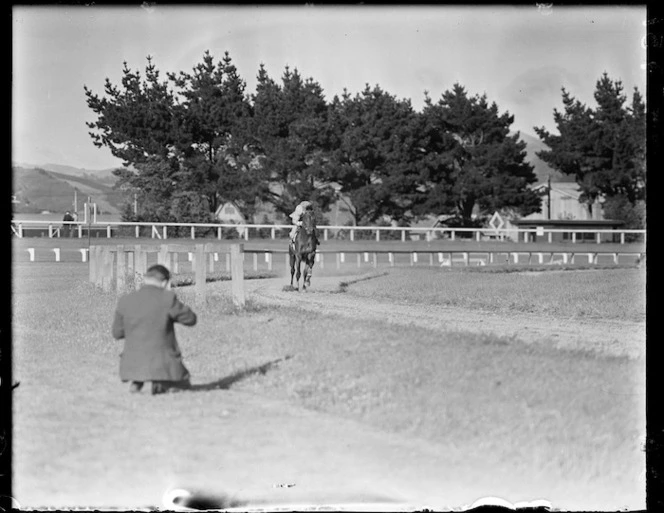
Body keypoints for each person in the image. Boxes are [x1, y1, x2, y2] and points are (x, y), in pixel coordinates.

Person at [111, 264, 197, 395]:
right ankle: (162, 382)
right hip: (163, 363)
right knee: (183, 384)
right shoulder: (167, 298)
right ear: (164, 282)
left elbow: (117, 333)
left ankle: (138, 382)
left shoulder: (125, 300)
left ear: (145, 279)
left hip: (131, 365)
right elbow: (191, 319)